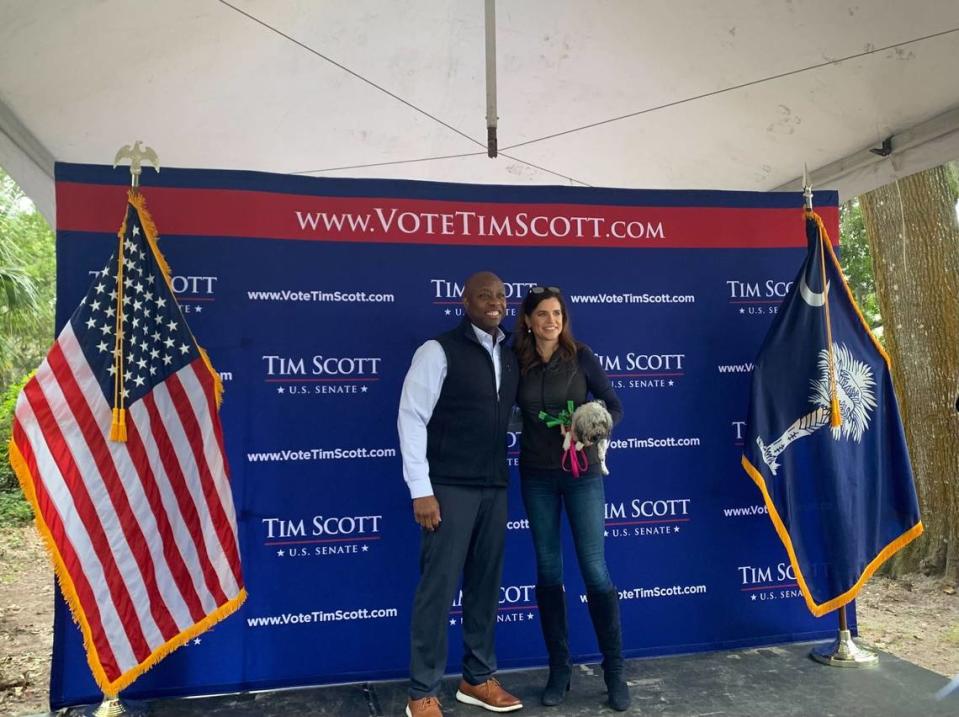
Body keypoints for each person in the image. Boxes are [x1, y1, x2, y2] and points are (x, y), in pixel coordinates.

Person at [397, 272, 523, 717]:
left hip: (494, 486)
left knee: (486, 590)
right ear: (464, 300)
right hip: (447, 489)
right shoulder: (437, 350)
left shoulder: (508, 356)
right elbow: (411, 418)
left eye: (501, 296)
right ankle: (422, 693)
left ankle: (477, 678)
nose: (494, 302)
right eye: (484, 295)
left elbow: (506, 417)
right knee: (438, 591)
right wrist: (421, 490)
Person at [513, 285, 629, 711]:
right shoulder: (516, 361)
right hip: (536, 476)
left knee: (595, 569)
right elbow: (503, 409)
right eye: (542, 314)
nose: (551, 321)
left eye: (557, 313)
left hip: (582, 477)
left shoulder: (581, 356)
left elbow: (614, 406)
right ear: (528, 320)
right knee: (547, 570)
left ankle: (614, 671)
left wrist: (592, 426)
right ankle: (559, 669)